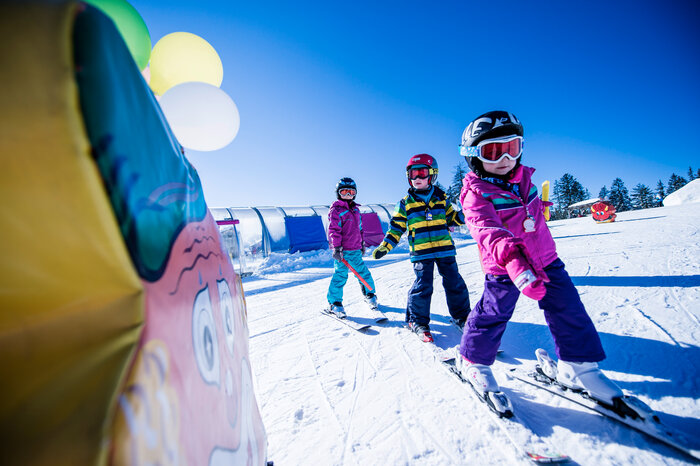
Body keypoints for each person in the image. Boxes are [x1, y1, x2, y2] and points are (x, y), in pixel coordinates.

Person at [456, 110, 623, 415]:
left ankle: (577, 366)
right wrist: (514, 261)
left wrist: (535, 207)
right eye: (493, 151)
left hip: (546, 259)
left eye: (513, 147)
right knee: (494, 312)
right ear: (474, 157)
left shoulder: (524, 180)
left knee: (569, 308)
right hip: (504, 266)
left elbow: (528, 211)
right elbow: (487, 230)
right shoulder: (475, 193)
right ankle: (472, 360)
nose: (505, 158)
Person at [373, 154, 471, 342]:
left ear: (432, 175)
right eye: (412, 174)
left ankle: (462, 317)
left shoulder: (442, 199)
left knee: (454, 283)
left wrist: (468, 212)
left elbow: (454, 219)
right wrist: (385, 246)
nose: (416, 178)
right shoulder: (405, 204)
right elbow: (396, 228)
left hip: (445, 249)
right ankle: (417, 321)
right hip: (421, 252)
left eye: (421, 173)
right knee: (423, 285)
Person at [326, 177, 378, 318]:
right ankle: (335, 303)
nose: (348, 195)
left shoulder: (356, 210)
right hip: (342, 252)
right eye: (344, 192)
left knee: (363, 273)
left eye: (351, 192)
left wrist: (362, 244)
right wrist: (336, 249)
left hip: (355, 250)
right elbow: (334, 231)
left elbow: (360, 229)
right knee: (340, 276)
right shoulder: (336, 210)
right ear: (338, 193)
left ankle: (370, 295)